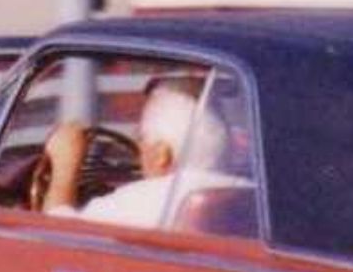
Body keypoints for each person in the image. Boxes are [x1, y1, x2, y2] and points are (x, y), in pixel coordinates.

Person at [40, 81, 249, 229]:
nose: (138, 148)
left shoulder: (143, 200)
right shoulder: (250, 195)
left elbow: (59, 234)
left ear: (161, 155)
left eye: (141, 137)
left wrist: (65, 166)